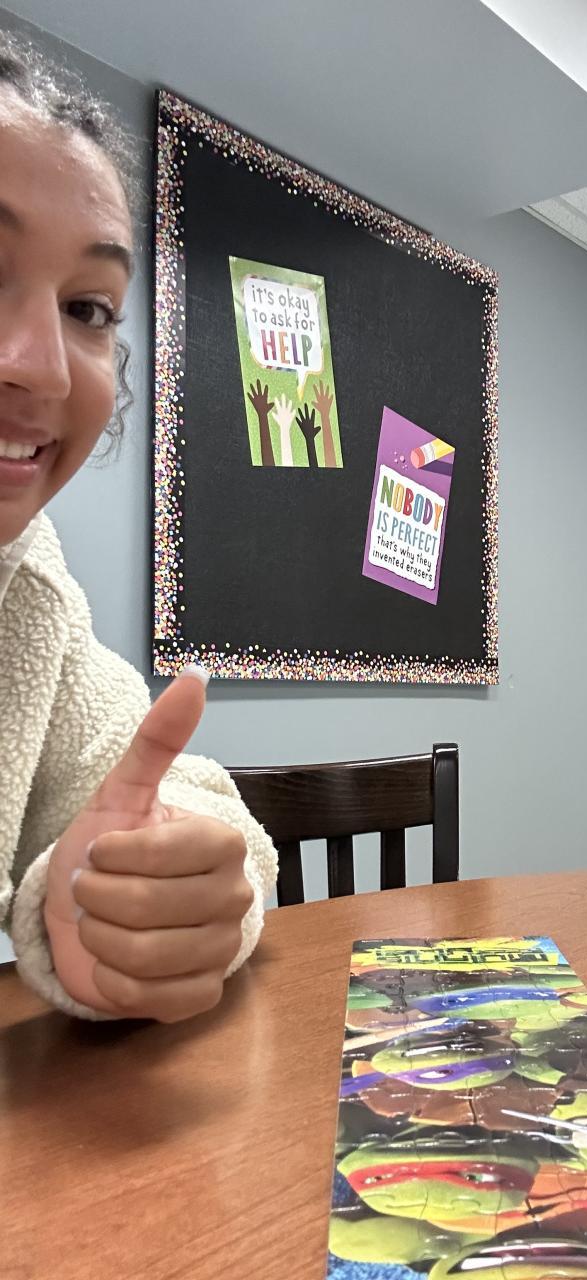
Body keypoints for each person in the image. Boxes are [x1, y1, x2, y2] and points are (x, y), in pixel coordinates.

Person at [0, 32, 277, 1020]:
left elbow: (189, 805)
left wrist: (131, 897)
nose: (42, 365)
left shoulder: (26, 598)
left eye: (87, 307)